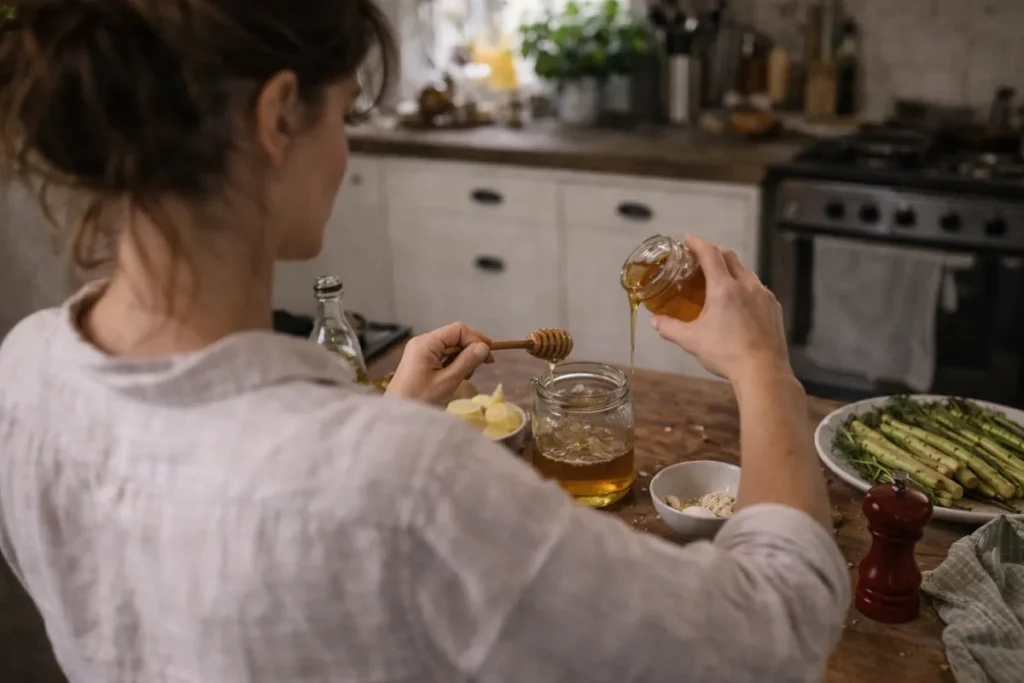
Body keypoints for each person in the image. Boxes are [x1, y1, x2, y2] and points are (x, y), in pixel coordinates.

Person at [0, 1, 849, 681]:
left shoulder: (24, 372)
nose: (345, 147)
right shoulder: (409, 488)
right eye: (343, 113)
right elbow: (769, 635)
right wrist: (765, 368)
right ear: (276, 118)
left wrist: (388, 412)